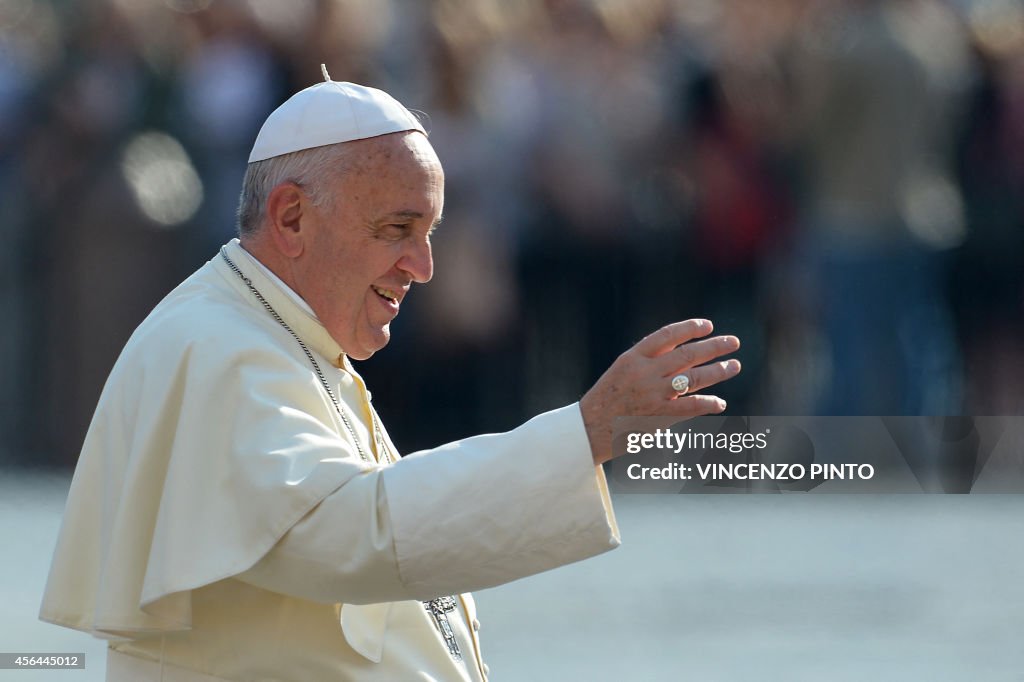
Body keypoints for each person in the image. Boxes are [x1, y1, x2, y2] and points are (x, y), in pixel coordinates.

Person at [40, 71, 742, 681]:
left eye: (430, 232)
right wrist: (585, 433)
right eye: (397, 228)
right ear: (290, 216)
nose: (423, 267)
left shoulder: (281, 336)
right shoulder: (217, 347)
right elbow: (350, 532)